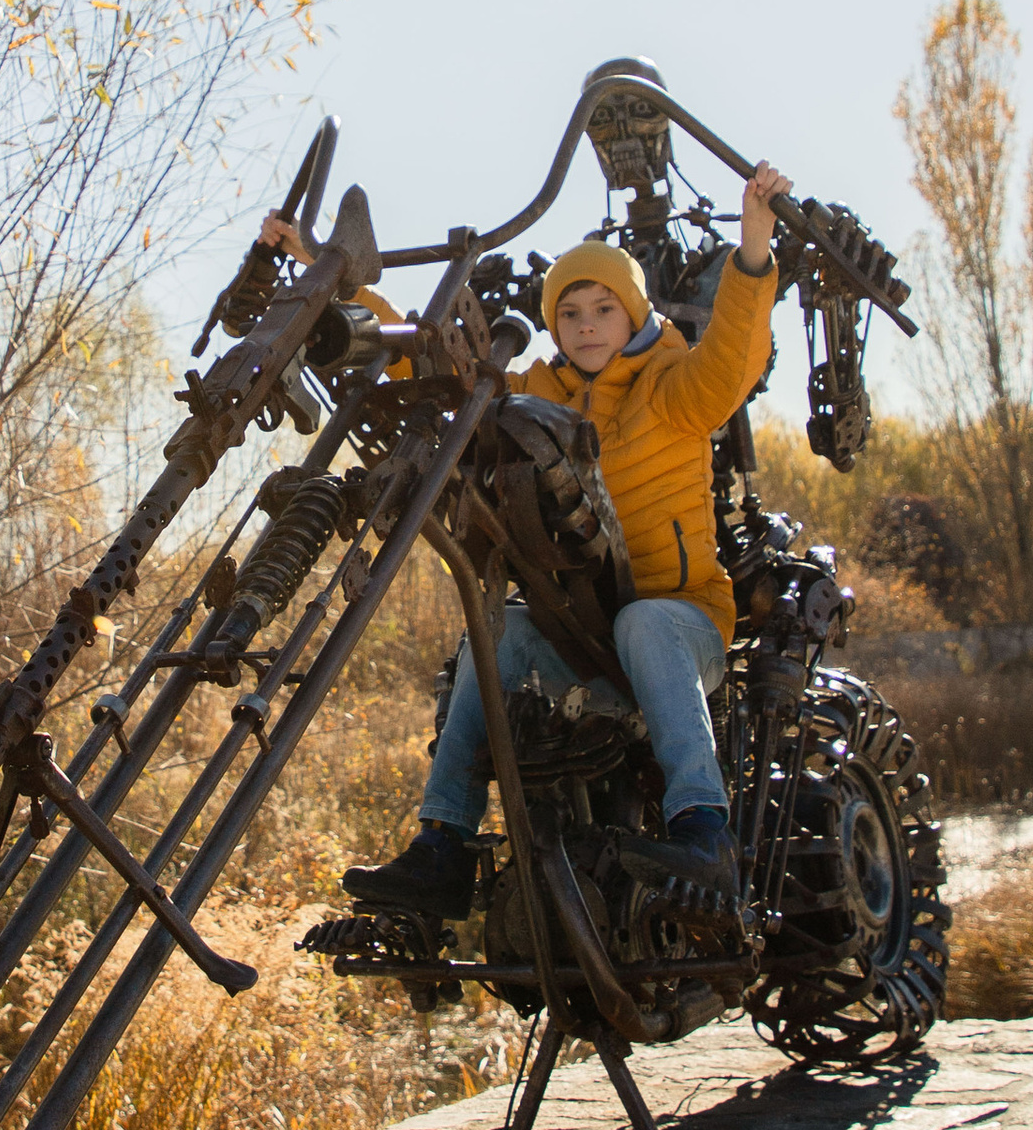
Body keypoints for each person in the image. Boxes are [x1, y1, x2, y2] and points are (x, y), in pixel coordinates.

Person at [261, 157, 791, 928]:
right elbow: (430, 354)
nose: (584, 326)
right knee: (497, 631)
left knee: (645, 623)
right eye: (569, 312)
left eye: (602, 309)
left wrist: (751, 251)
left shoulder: (674, 386)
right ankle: (443, 844)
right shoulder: (536, 396)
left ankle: (703, 834)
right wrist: (329, 272)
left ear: (633, 314)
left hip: (681, 625)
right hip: (584, 630)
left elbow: (736, 354)